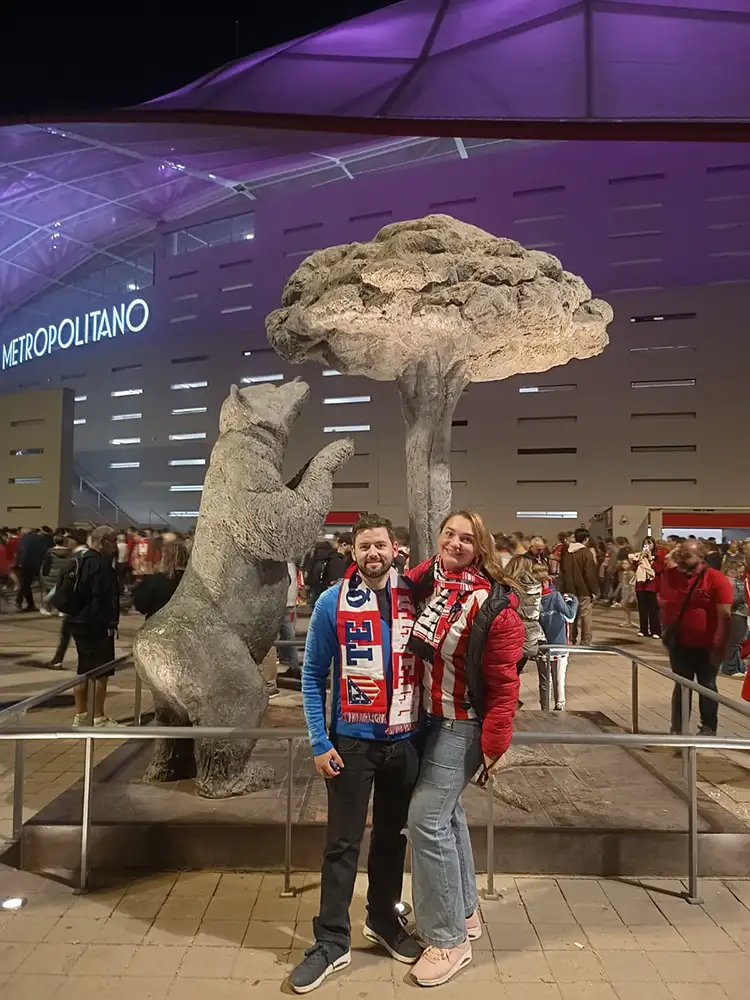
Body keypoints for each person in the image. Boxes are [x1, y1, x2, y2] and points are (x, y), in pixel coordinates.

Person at [290, 514, 422, 994]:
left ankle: (383, 921)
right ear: (352, 551)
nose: (373, 553)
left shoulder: (415, 598)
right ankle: (330, 941)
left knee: (392, 840)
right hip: (350, 743)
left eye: (380, 545)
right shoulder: (332, 602)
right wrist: (319, 742)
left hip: (403, 741)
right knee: (342, 845)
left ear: (395, 549)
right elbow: (311, 677)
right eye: (364, 546)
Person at [406, 510, 524, 987]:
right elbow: (392, 578)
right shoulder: (432, 583)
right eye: (449, 535)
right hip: (429, 719)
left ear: (481, 547)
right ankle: (466, 914)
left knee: (426, 819)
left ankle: (448, 939)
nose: (455, 544)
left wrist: (496, 746)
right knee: (449, 815)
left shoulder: (494, 606)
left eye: (466, 539)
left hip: (464, 724)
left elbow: (504, 684)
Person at [659, 540, 733, 737]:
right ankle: (678, 729)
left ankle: (708, 728)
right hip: (680, 643)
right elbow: (666, 602)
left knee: (707, 686)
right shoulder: (670, 576)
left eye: (687, 556)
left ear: (701, 557)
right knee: (681, 684)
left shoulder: (715, 579)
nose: (682, 559)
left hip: (708, 645)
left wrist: (720, 643)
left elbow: (724, 615)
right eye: (680, 555)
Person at [63, 526, 121, 727]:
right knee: (101, 672)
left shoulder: (80, 559)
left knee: (83, 669)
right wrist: (109, 623)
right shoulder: (101, 565)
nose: (115, 546)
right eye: (113, 541)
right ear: (103, 541)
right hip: (95, 625)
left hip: (77, 621)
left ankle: (81, 716)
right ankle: (98, 717)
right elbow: (102, 599)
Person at [535, 564, 578, 710]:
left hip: (541, 646)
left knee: (544, 680)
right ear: (546, 580)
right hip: (559, 645)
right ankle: (559, 706)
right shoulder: (555, 597)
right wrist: (573, 600)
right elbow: (570, 616)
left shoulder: (532, 599)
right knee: (559, 679)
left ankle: (544, 709)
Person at [49, 531, 87, 668]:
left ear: (74, 541)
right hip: (83, 603)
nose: (66, 543)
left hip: (75, 604)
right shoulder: (89, 555)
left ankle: (58, 660)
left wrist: (61, 600)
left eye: (68, 540)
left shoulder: (77, 557)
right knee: (69, 633)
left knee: (70, 634)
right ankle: (57, 659)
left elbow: (67, 583)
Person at [558, 527, 599, 645]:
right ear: (586, 539)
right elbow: (590, 574)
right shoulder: (586, 553)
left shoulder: (567, 552)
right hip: (584, 590)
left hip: (569, 589)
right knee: (585, 616)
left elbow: (563, 571)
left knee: (571, 615)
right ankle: (585, 641)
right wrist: (595, 590)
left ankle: (570, 638)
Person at [505, 553, 545, 674]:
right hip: (532, 633)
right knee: (516, 672)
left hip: (511, 630)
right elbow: (540, 609)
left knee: (506, 674)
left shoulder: (508, 586)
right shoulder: (536, 586)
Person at [132, 540, 189, 619]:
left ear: (165, 558)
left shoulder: (153, 580)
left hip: (157, 626)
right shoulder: (193, 582)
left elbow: (141, 607)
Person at [719, 561, 748, 677]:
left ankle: (739, 666)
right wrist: (745, 597)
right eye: (740, 571)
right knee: (733, 643)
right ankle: (729, 668)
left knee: (737, 643)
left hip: (739, 613)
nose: (741, 573)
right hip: (737, 614)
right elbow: (733, 599)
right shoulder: (731, 582)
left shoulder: (731, 581)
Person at [630, 537, 663, 638]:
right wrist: (638, 559)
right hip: (641, 585)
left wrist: (650, 559)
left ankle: (656, 631)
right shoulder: (639, 555)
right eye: (645, 544)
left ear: (654, 544)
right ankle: (643, 630)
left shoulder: (658, 556)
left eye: (650, 543)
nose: (648, 546)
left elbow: (659, 569)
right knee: (642, 609)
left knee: (653, 610)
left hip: (652, 586)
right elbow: (634, 567)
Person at [277, 560, 301, 679]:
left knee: (275, 636)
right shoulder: (291, 563)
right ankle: (293, 664)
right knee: (288, 633)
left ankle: (291, 663)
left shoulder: (281, 563)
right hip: (289, 600)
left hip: (281, 602)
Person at [39, 533, 72, 616]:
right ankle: (61, 610)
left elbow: (46, 564)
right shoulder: (69, 552)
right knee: (61, 593)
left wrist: (44, 574)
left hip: (52, 574)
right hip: (63, 574)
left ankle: (48, 609)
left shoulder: (50, 552)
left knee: (50, 592)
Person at [14, 527, 42, 612]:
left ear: (23, 533)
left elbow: (23, 551)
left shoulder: (24, 539)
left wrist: (20, 563)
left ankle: (27, 603)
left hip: (25, 564)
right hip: (36, 564)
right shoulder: (39, 539)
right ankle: (22, 601)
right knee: (26, 584)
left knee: (24, 584)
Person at [618, 559, 637, 629]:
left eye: (626, 564)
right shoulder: (623, 572)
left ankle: (629, 621)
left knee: (627, 606)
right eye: (623, 564)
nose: (624, 565)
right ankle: (628, 620)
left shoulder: (631, 573)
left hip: (629, 592)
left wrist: (632, 595)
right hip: (624, 591)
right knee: (625, 607)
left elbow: (632, 584)